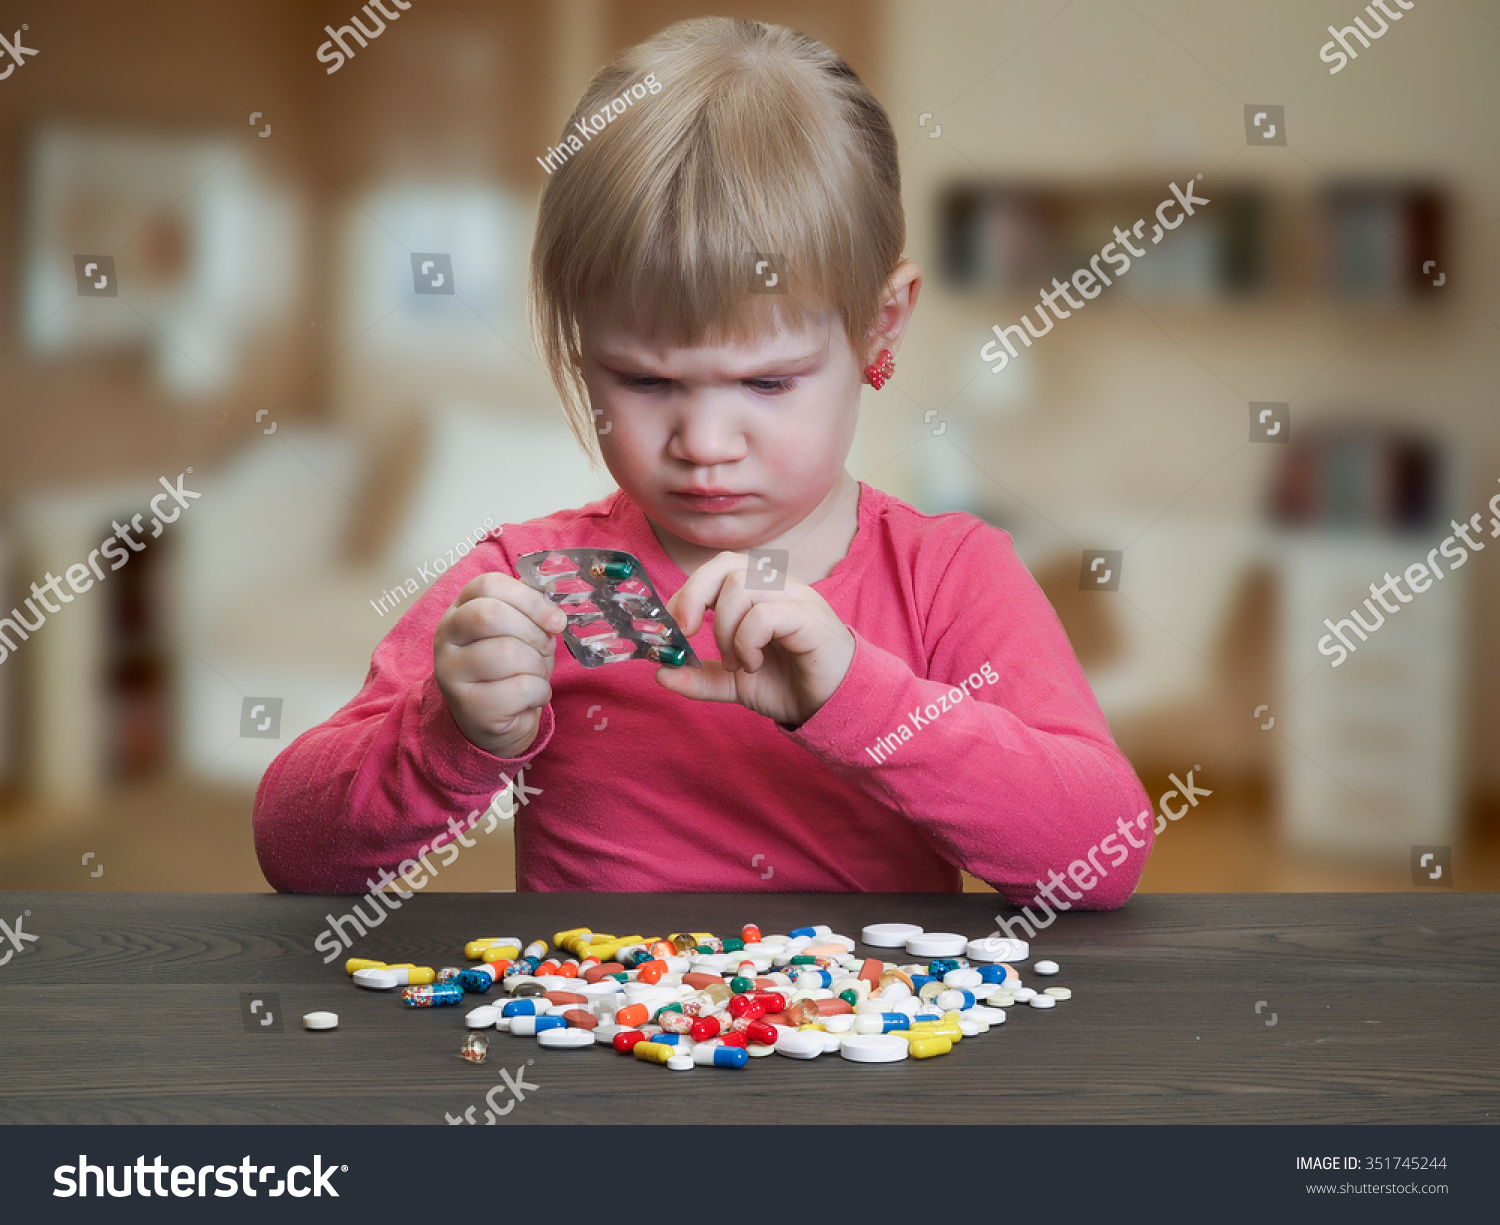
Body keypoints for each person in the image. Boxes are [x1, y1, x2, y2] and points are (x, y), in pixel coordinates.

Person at [253, 17, 1154, 903]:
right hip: (591, 1043)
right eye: (645, 381)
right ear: (578, 348)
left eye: (767, 383)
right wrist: (450, 736)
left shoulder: (949, 577)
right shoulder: (528, 582)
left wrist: (862, 697)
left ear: (882, 325)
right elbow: (292, 845)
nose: (706, 445)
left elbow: (1104, 853)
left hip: (872, 1046)